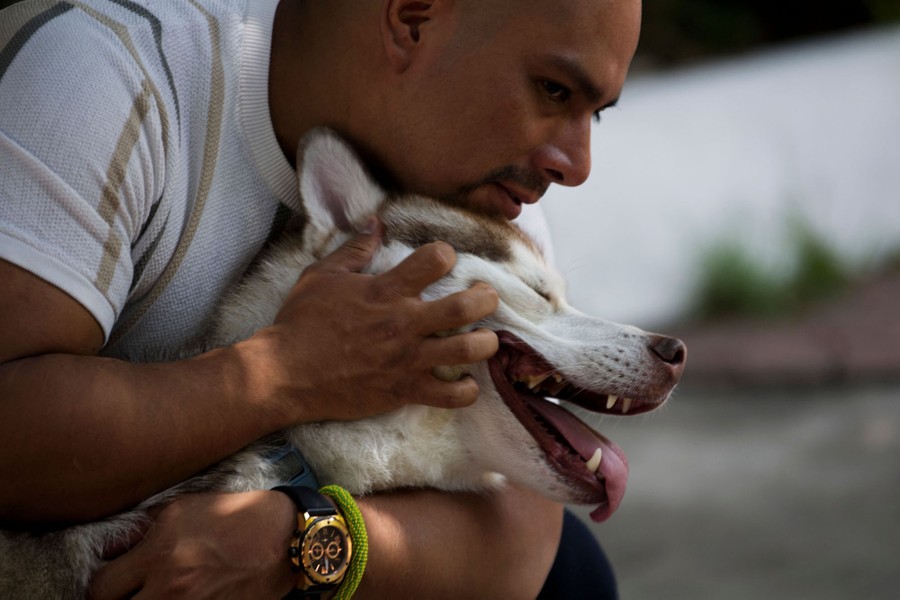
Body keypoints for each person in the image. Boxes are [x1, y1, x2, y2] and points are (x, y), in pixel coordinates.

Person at [0, 0, 640, 597]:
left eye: (597, 112)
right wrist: (291, 374)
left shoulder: (479, 193)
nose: (577, 164)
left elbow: (530, 537)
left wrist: (300, 541)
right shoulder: (110, 79)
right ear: (412, 19)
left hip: (284, 519)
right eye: (554, 90)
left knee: (575, 578)